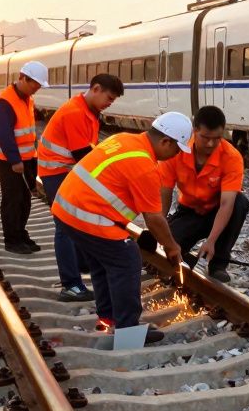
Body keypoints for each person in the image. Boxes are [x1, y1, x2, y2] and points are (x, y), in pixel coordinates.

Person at [50, 113, 190, 344]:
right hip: (87, 215)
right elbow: (154, 219)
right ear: (166, 142)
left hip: (67, 210)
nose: (176, 155)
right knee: (126, 259)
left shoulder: (125, 139)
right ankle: (128, 335)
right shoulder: (144, 166)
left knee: (102, 261)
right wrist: (172, 247)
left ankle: (108, 319)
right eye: (177, 149)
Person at [37, 73, 125, 302]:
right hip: (57, 172)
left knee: (78, 223)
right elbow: (82, 156)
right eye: (109, 97)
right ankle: (71, 285)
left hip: (67, 172)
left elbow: (89, 150)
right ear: (95, 89)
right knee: (65, 226)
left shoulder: (89, 111)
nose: (110, 103)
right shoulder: (75, 113)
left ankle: (82, 265)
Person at [158, 105, 249, 283]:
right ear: (194, 131)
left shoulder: (231, 157)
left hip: (218, 211)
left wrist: (211, 241)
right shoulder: (177, 151)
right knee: (170, 245)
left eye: (216, 139)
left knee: (240, 202)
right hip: (189, 212)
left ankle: (218, 265)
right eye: (205, 138)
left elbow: (227, 204)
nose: (210, 144)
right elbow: (165, 193)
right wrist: (159, 230)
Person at [0, 61, 47, 254]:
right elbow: (5, 134)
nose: (36, 89)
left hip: (27, 159)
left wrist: (31, 158)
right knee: (12, 200)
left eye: (39, 86)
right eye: (34, 85)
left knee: (24, 199)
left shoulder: (27, 99)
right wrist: (15, 160)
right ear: (23, 78)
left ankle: (21, 234)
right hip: (9, 162)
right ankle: (11, 240)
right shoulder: (4, 102)